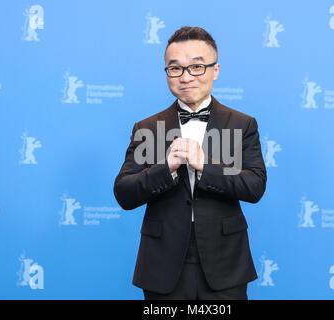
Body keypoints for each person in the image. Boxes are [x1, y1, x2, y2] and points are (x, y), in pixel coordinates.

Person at [113, 26, 267, 300]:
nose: (186, 77)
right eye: (175, 69)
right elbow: (124, 192)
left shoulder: (242, 124)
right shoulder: (148, 127)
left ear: (215, 70)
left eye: (197, 67)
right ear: (167, 72)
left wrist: (205, 165)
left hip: (225, 262)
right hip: (162, 264)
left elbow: (254, 186)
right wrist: (165, 167)